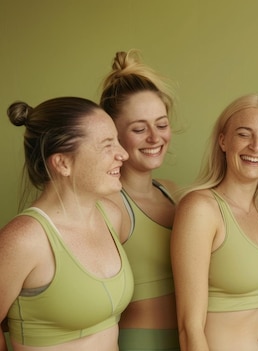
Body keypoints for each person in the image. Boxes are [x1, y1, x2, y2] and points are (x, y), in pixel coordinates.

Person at [0, 97, 132, 351]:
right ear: (62, 163)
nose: (123, 153)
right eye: (107, 145)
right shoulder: (24, 239)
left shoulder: (111, 216)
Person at [171, 94, 258, 351]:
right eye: (244, 134)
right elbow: (189, 326)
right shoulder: (201, 209)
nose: (256, 147)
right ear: (223, 140)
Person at [100, 49, 180, 351]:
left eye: (161, 125)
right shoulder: (108, 205)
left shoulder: (176, 193)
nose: (154, 137)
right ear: (113, 133)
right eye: (138, 128)